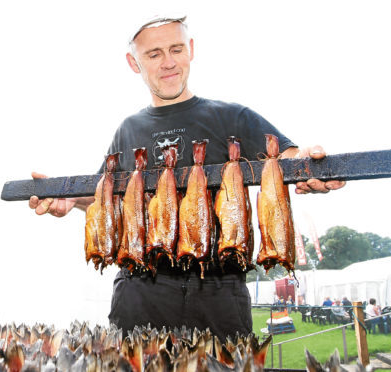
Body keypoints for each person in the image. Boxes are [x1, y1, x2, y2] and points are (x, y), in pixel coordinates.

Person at [28, 15, 345, 342]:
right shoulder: (128, 130)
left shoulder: (232, 117)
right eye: (154, 54)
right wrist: (70, 199)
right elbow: (102, 197)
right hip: (141, 289)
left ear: (190, 50)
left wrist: (311, 168)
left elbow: (291, 160)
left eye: (176, 49)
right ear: (134, 63)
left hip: (219, 291)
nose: (168, 62)